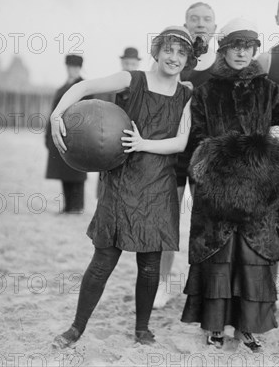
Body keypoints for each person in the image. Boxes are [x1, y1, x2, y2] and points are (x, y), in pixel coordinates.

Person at [50, 26, 198, 348]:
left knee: (149, 265)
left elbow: (181, 142)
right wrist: (57, 114)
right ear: (157, 52)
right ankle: (76, 328)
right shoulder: (132, 80)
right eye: (168, 50)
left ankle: (141, 329)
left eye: (181, 53)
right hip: (121, 181)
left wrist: (144, 143)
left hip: (159, 184)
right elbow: (86, 86)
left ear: (187, 60)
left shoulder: (187, 96)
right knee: (103, 259)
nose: (174, 57)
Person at [180, 18, 279, 353]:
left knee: (252, 258)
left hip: (259, 190)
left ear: (255, 49)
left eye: (248, 46)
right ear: (223, 49)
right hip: (218, 189)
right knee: (219, 255)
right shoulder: (206, 91)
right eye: (235, 46)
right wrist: (217, 165)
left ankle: (248, 327)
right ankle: (214, 325)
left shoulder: (269, 89)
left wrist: (274, 137)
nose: (241, 52)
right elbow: (197, 136)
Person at [154, 2, 218, 309]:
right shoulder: (175, 59)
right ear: (185, 24)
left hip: (208, 154)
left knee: (207, 222)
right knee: (168, 217)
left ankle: (204, 286)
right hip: (174, 150)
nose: (200, 24)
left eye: (207, 19)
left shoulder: (222, 63)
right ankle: (163, 284)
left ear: (215, 27)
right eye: (194, 19)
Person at [95, 47, 142, 200]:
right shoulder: (111, 87)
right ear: (122, 64)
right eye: (127, 64)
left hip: (134, 142)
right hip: (110, 141)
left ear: (137, 65)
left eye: (133, 64)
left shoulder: (142, 90)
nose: (129, 68)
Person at [45, 54, 88, 214]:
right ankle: (68, 205)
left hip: (77, 136)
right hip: (60, 134)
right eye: (70, 67)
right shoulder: (61, 89)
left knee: (77, 171)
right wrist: (48, 136)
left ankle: (77, 206)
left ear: (79, 68)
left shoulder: (85, 88)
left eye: (75, 67)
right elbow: (53, 114)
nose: (72, 70)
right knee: (64, 171)